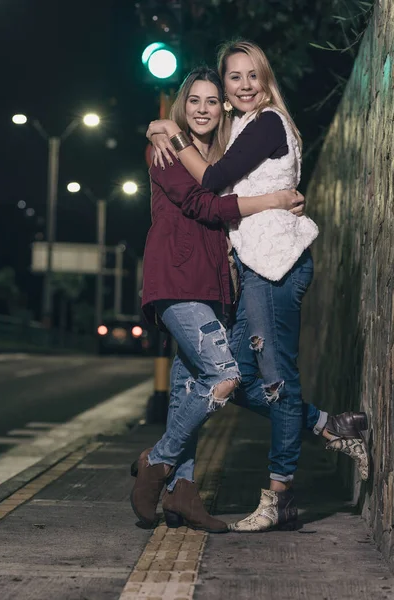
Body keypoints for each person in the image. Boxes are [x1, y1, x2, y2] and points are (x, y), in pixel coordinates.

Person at [146, 40, 369, 533]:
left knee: (275, 382)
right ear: (225, 91)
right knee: (245, 380)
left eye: (253, 75)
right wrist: (163, 127)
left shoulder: (266, 122)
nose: (245, 85)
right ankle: (328, 425)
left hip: (275, 265)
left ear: (265, 79)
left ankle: (280, 496)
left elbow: (213, 182)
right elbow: (226, 179)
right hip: (255, 269)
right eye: (235, 78)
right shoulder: (243, 128)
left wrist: (173, 133)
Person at [131, 66, 305, 533]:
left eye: (212, 101)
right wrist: (271, 200)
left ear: (223, 106)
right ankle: (157, 463)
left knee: (190, 390)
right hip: (177, 281)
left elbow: (238, 190)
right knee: (225, 377)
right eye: (194, 101)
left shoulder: (224, 158)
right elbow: (203, 206)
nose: (203, 109)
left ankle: (182, 493)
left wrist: (287, 199)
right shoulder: (167, 150)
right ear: (182, 106)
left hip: (214, 287)